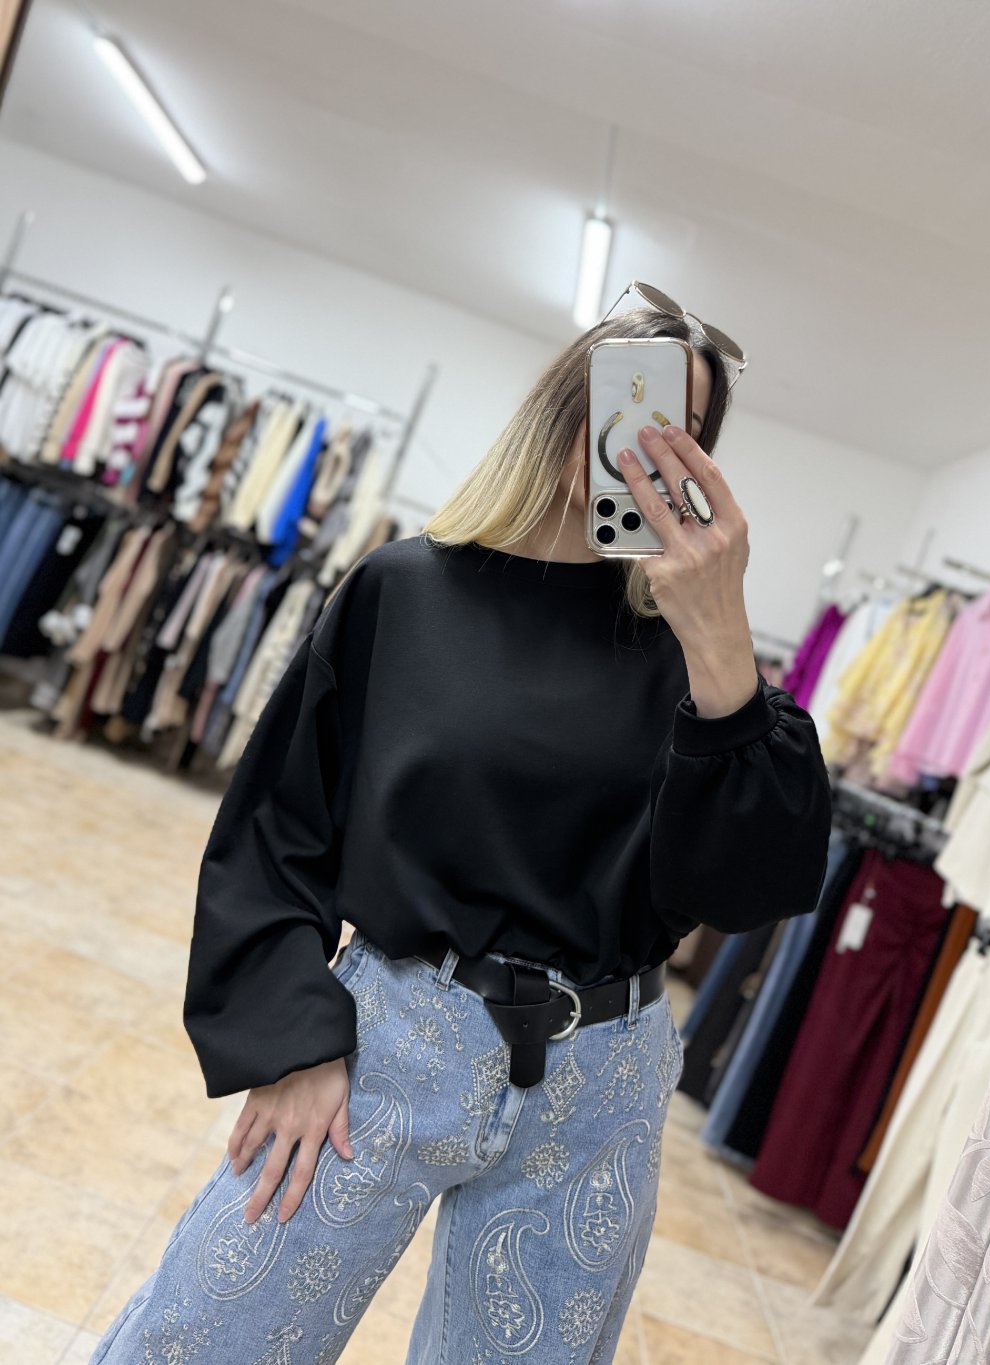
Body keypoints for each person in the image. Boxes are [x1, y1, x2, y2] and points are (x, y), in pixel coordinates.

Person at [90, 286, 832, 1365]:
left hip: (601, 1082)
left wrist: (722, 649)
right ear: (565, 401)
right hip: (389, 1040)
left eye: (681, 424)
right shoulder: (403, 591)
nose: (641, 436)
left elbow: (750, 890)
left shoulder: (703, 664)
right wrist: (289, 1041)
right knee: (206, 1337)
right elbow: (276, 828)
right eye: (626, 395)